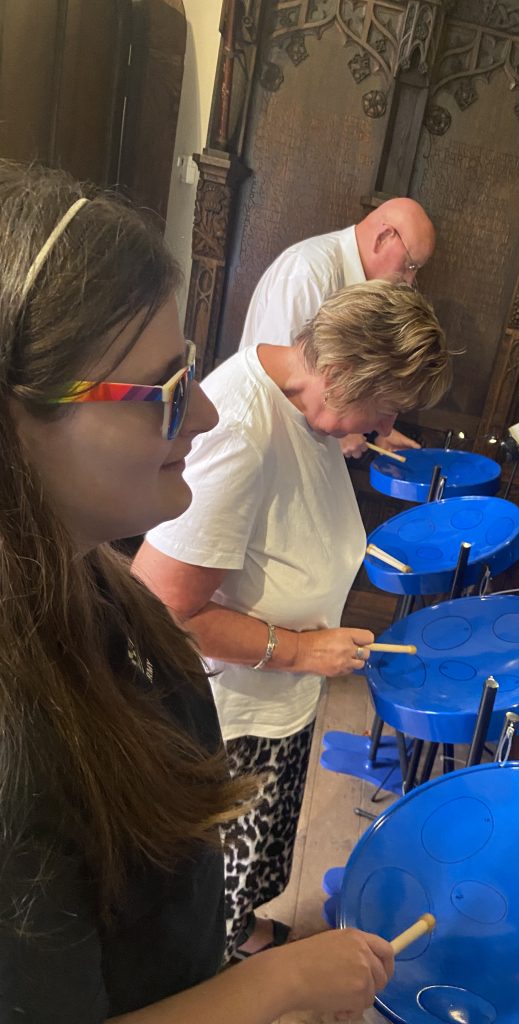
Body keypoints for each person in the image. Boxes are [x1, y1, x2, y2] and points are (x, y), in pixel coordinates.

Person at [0, 159, 394, 1023]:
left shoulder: (84, 577)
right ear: (20, 420)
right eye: (167, 393)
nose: (205, 416)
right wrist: (281, 982)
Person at [132, 281, 451, 962]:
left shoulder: (299, 400)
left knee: (253, 869)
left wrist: (345, 432)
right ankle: (220, 973)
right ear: (337, 374)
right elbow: (163, 605)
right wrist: (305, 651)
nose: (379, 425)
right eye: (380, 408)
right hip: (230, 717)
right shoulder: (241, 430)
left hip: (274, 697)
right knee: (214, 887)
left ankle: (242, 931)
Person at [239, 197, 437, 457]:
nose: (410, 281)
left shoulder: (363, 287)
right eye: (410, 265)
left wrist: (375, 429)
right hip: (264, 444)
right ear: (384, 237)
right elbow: (278, 386)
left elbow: (352, 382)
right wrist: (342, 433)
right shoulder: (309, 272)